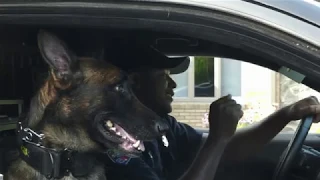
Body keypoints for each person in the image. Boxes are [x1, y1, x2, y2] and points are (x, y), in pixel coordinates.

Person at [103, 42, 320, 180]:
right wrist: (217, 138)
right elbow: (216, 146)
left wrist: (286, 114)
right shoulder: (117, 142)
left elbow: (225, 152)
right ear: (135, 82)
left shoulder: (163, 125)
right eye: (163, 77)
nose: (173, 85)